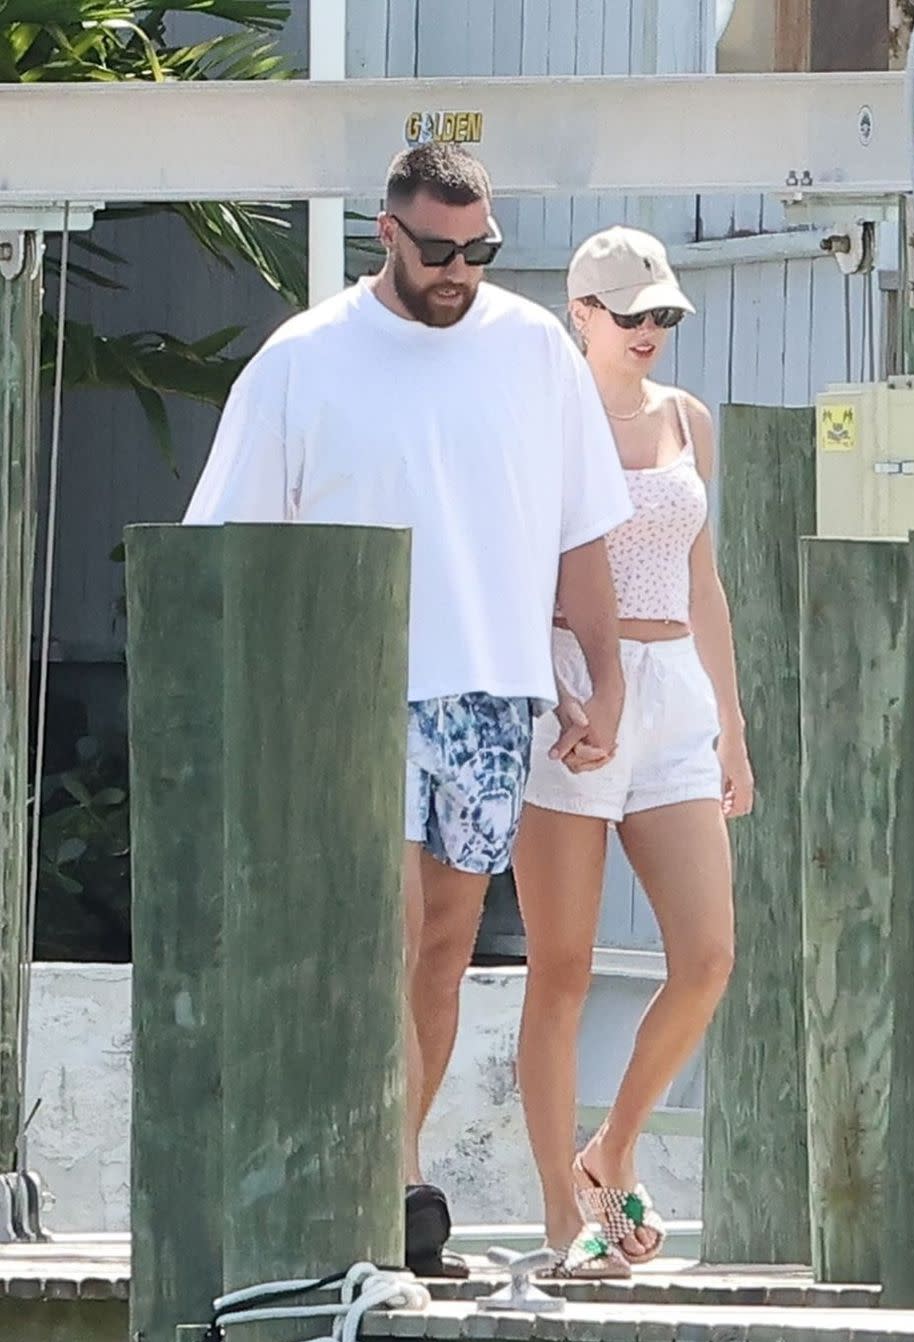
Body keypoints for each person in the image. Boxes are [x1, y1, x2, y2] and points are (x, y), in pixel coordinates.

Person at [182, 145, 633, 1274]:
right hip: (353, 687)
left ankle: (392, 1166)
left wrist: (607, 675)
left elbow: (582, 529)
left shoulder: (533, 349)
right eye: (438, 249)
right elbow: (228, 547)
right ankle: (389, 1181)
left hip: (491, 688)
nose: (459, 270)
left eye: (478, 249)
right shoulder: (303, 357)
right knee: (379, 937)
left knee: (441, 951)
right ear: (384, 233)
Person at [514, 226, 755, 1278]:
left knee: (705, 958)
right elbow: (512, 565)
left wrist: (731, 729)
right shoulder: (534, 416)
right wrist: (558, 685)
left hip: (673, 700)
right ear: (580, 314)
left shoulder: (685, 420)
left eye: (664, 315)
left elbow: (700, 583)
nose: (651, 331)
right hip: (568, 688)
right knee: (558, 969)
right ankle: (564, 1226)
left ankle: (607, 1152)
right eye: (631, 314)